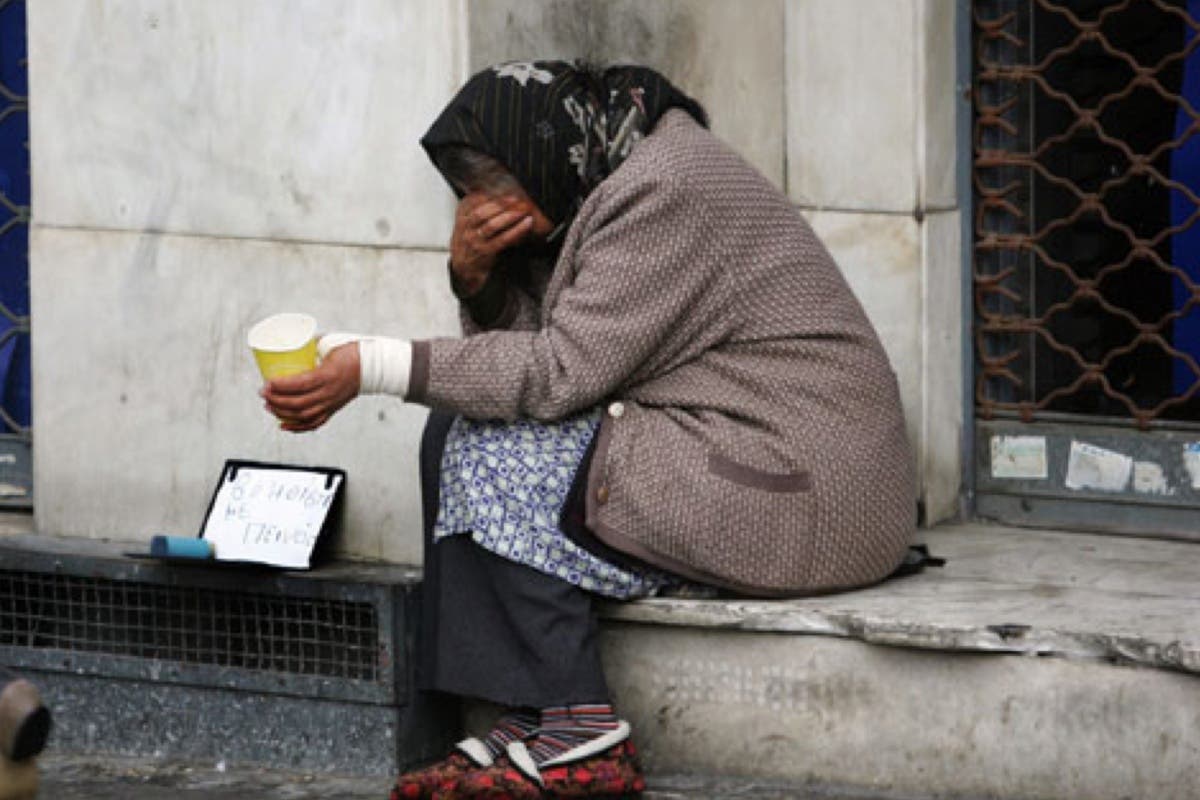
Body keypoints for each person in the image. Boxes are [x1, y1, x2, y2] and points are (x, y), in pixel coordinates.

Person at [262, 60, 915, 800]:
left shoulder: (664, 188)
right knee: (456, 424)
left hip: (810, 484)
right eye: (469, 191)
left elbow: (557, 374)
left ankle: (581, 733)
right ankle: (525, 716)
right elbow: (545, 358)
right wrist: (477, 278)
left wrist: (373, 365)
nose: (484, 209)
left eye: (496, 187)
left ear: (546, 155)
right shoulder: (599, 173)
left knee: (496, 449)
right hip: (728, 444)